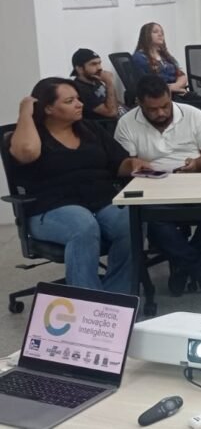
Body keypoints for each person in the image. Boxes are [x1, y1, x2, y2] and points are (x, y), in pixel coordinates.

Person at [9, 78, 146, 294]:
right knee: (83, 225)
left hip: (100, 200)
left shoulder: (90, 129)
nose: (79, 104)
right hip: (50, 207)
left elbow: (118, 163)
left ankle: (116, 300)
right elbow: (26, 152)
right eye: (69, 101)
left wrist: (133, 164)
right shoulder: (32, 135)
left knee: (131, 222)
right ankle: (87, 303)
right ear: (48, 108)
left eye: (78, 99)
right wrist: (25, 112)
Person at [114, 75, 201, 297]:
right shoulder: (127, 123)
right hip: (155, 187)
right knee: (148, 217)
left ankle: (181, 263)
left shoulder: (193, 115)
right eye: (153, 109)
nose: (161, 113)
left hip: (198, 181)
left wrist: (197, 164)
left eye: (165, 106)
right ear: (139, 103)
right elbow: (123, 164)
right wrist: (132, 164)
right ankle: (198, 265)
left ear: (170, 97)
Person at [131, 22, 188, 92]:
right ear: (146, 35)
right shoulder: (139, 57)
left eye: (162, 32)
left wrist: (175, 86)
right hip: (158, 95)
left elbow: (181, 75)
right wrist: (170, 89)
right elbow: (147, 84)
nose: (160, 34)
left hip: (175, 91)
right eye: (155, 32)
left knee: (197, 98)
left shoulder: (164, 55)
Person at [70, 48, 123, 120]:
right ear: (79, 69)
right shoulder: (81, 89)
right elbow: (111, 113)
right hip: (109, 124)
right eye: (93, 64)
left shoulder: (94, 79)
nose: (99, 68)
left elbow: (113, 100)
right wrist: (109, 83)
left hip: (122, 114)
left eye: (99, 63)